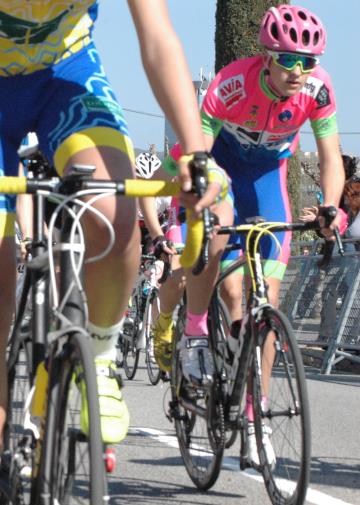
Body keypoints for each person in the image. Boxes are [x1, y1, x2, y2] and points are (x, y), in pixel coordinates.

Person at [0, 2, 226, 501]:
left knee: (115, 214)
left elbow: (158, 38)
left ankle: (97, 355)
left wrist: (194, 150)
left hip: (66, 75)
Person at [191, 4, 344, 467]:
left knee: (267, 305)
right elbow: (198, 142)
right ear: (267, 57)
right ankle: (197, 331)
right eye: (289, 60)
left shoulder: (317, 89)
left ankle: (255, 420)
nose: (300, 71)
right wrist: (202, 186)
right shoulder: (233, 82)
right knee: (232, 283)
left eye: (309, 61)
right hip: (223, 166)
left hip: (267, 180)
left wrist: (331, 207)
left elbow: (331, 157)